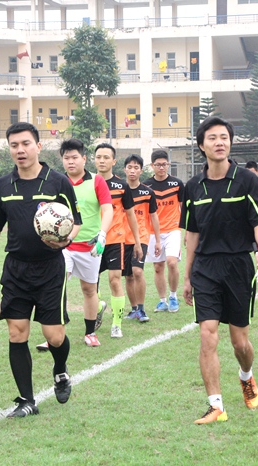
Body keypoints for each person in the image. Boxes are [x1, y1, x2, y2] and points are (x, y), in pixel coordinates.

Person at [0, 122, 82, 418]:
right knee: (16, 333)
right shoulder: (2, 186)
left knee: (54, 336)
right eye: (14, 145)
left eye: (25, 144)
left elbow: (75, 222)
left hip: (50, 268)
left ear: (38, 146)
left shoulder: (57, 182)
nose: (20, 150)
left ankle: (60, 370)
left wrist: (64, 240)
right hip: (16, 269)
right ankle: (26, 400)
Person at [181, 116, 258, 424]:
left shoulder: (247, 180)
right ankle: (216, 405)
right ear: (201, 145)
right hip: (205, 267)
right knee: (207, 335)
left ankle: (246, 375)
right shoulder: (193, 187)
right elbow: (192, 234)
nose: (219, 142)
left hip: (238, 265)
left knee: (239, 342)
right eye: (213, 138)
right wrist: (187, 276)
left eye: (224, 137)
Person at [60, 138, 113, 347]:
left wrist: (102, 234)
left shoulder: (97, 181)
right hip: (63, 245)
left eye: (74, 157)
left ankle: (90, 332)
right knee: (57, 286)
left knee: (89, 290)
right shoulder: (58, 182)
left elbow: (108, 209)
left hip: (90, 246)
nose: (70, 162)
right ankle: (55, 333)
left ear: (84, 159)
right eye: (66, 158)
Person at [93, 143, 143, 338]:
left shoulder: (122, 186)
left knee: (115, 280)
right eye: (99, 157)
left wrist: (137, 242)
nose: (102, 161)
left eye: (106, 157)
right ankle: (98, 307)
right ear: (94, 160)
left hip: (115, 240)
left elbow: (131, 215)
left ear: (113, 161)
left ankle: (116, 324)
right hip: (93, 240)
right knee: (91, 284)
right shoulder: (88, 183)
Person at [144, 149, 184, 313]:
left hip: (173, 229)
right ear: (152, 165)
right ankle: (162, 301)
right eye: (158, 164)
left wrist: (187, 230)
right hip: (153, 232)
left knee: (172, 262)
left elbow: (183, 207)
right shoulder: (146, 185)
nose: (161, 167)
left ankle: (173, 296)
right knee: (158, 267)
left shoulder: (177, 184)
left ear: (168, 164)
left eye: (164, 164)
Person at [122, 154, 161, 323]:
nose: (132, 170)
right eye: (129, 167)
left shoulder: (148, 192)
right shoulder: (120, 191)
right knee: (129, 276)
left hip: (142, 237)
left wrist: (157, 240)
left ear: (141, 170)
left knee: (138, 271)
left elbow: (153, 216)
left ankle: (142, 309)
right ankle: (133, 309)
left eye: (136, 167)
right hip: (123, 238)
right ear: (124, 169)